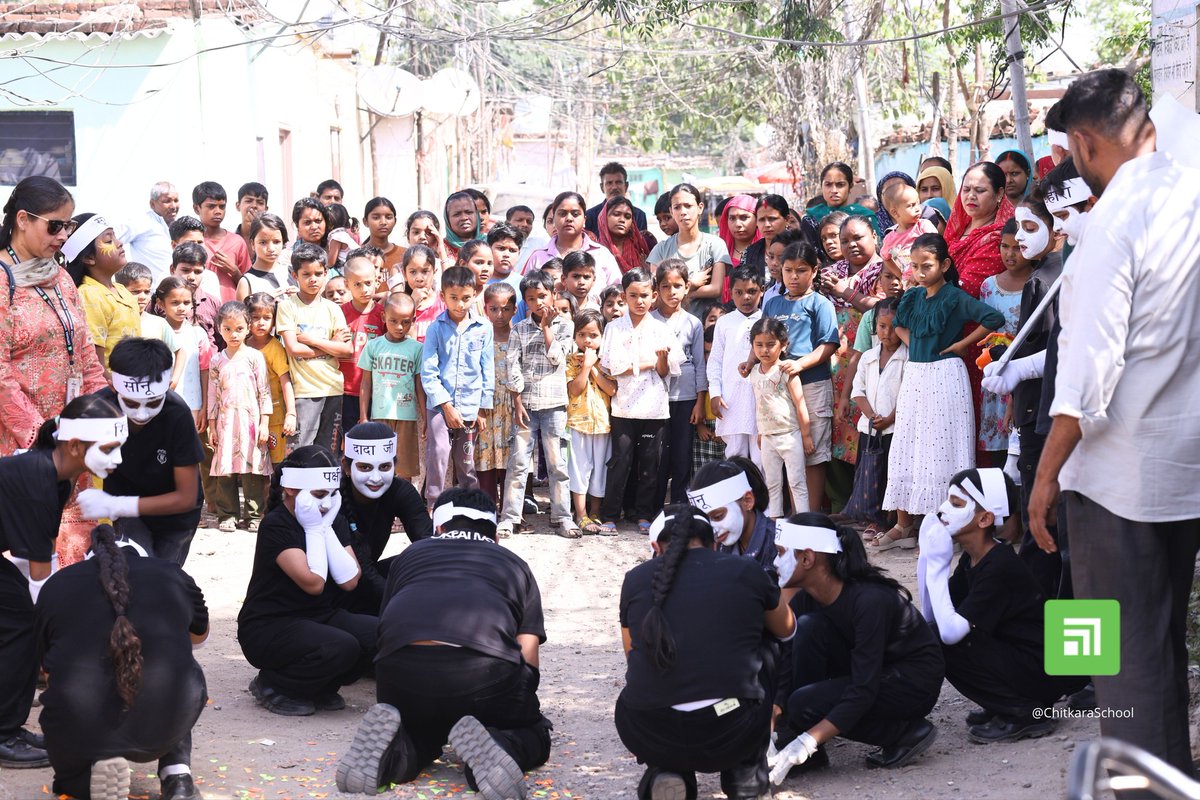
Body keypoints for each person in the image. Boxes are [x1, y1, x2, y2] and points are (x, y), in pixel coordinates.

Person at [1026, 69, 1200, 776]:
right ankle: (1154, 772)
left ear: (1083, 142)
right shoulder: (1188, 198)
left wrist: (1043, 480)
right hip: (1179, 465)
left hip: (1109, 474)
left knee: (1122, 658)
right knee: (1151, 644)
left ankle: (1141, 784)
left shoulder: (1111, 225)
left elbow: (1085, 376)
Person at [336, 488, 552, 799]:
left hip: (400, 676)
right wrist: (520, 707)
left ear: (439, 528)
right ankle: (499, 746)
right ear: (496, 536)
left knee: (422, 731)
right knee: (534, 733)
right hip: (483, 678)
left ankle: (395, 757)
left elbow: (384, 628)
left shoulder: (410, 556)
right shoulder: (514, 563)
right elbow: (528, 654)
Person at [616, 504, 795, 800]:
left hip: (650, 727)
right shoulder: (746, 570)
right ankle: (745, 774)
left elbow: (632, 655)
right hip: (731, 722)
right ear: (714, 543)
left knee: (653, 684)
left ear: (655, 547)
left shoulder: (634, 579)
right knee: (768, 644)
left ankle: (665, 771)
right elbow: (787, 630)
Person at [36, 524, 209, 800]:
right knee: (183, 664)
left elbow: (44, 667)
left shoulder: (57, 585)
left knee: (62, 682)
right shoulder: (173, 575)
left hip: (82, 721)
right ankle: (177, 777)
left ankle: (85, 777)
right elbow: (198, 639)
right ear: (143, 555)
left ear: (89, 556)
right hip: (165, 721)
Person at [0, 395, 126, 769]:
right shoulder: (39, 480)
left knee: (21, 619)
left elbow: (39, 562)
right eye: (109, 448)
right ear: (73, 445)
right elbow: (41, 580)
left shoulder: (57, 476)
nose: (117, 458)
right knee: (24, 627)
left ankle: (8, 726)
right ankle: (4, 733)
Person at [769, 514, 943, 781]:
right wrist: (776, 716)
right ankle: (810, 746)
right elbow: (787, 664)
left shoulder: (868, 601)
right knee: (806, 629)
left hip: (912, 682)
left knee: (805, 703)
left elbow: (863, 689)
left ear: (807, 558)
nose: (774, 562)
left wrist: (808, 740)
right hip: (873, 672)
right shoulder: (807, 599)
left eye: (781, 553)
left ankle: (903, 733)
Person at [917, 469, 1084, 745]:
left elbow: (949, 633)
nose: (943, 510)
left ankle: (1025, 712)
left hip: (1043, 670)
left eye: (957, 504)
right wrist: (927, 560)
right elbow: (933, 616)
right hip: (1022, 660)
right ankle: (1004, 704)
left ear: (985, 519)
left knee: (944, 641)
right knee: (933, 636)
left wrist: (935, 570)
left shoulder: (999, 566)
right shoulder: (973, 560)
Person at [879, 235, 1004, 549]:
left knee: (944, 447)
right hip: (916, 376)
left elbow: (993, 318)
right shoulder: (913, 298)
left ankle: (955, 523)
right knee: (909, 442)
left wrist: (962, 345)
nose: (920, 272)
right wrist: (915, 345)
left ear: (945, 264)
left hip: (946, 377)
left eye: (927, 266)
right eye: (916, 266)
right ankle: (904, 524)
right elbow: (899, 325)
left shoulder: (954, 296)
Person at [238, 446, 372, 716]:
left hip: (319, 617)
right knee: (341, 646)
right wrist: (314, 529)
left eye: (332, 495)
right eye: (320, 495)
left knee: (378, 634)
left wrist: (324, 527)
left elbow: (350, 581)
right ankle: (274, 685)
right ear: (290, 489)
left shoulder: (331, 519)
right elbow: (313, 583)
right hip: (270, 625)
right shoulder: (277, 524)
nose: (326, 503)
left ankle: (320, 686)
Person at [0, 177, 108, 474]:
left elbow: (85, 354)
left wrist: (104, 409)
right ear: (22, 219)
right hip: (20, 443)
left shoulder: (60, 277)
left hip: (71, 438)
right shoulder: (2, 279)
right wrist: (42, 432)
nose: (63, 235)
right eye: (54, 225)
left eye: (68, 226)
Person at [80, 338, 204, 563]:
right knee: (135, 570)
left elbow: (186, 497)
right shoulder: (98, 409)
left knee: (165, 578)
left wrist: (116, 505)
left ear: (167, 386)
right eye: (132, 404)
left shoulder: (178, 414)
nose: (142, 414)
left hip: (175, 518)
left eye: (153, 403)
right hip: (126, 509)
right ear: (112, 386)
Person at [598, 269, 683, 534]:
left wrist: (659, 361)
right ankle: (611, 514)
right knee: (620, 462)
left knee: (649, 464)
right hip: (623, 406)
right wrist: (646, 362)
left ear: (654, 296)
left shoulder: (661, 329)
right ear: (624, 297)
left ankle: (643, 514)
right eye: (633, 295)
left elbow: (665, 370)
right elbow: (612, 368)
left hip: (654, 407)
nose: (639, 301)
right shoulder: (613, 328)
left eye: (644, 295)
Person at [497, 271, 578, 539]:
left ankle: (562, 517)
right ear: (525, 302)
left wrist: (546, 326)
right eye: (531, 299)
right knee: (518, 463)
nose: (538, 302)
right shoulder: (518, 329)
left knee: (558, 464)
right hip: (526, 405)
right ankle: (510, 518)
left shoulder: (566, 326)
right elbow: (512, 366)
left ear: (553, 295)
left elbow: (557, 358)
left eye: (542, 296)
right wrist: (517, 400)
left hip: (554, 404)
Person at [759, 242, 838, 510]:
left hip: (812, 383)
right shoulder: (773, 303)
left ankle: (810, 516)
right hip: (778, 390)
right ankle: (792, 515)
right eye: (788, 270)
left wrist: (800, 364)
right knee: (787, 452)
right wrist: (749, 363)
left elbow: (828, 345)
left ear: (815, 271)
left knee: (811, 452)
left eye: (801, 270)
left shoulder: (820, 304)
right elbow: (762, 337)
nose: (794, 276)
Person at [335, 422, 432, 614]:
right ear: (346, 467)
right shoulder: (332, 498)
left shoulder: (400, 491)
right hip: (336, 589)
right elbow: (360, 570)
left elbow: (428, 544)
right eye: (365, 467)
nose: (376, 478)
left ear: (395, 466)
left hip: (371, 582)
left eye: (385, 467)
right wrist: (399, 604)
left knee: (420, 562)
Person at [421, 266, 494, 506]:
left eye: (466, 298)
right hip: (440, 406)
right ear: (443, 296)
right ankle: (434, 503)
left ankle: (471, 504)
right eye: (454, 298)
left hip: (471, 405)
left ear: (474, 295)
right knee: (439, 453)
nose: (460, 304)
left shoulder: (483, 328)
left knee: (466, 459)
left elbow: (487, 370)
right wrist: (446, 406)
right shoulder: (436, 328)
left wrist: (483, 407)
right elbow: (429, 372)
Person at [841, 298, 906, 533]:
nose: (886, 333)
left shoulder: (907, 357)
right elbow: (858, 391)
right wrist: (872, 416)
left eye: (892, 326)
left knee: (891, 474)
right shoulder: (868, 357)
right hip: (870, 427)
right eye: (881, 326)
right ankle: (871, 517)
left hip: (895, 429)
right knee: (869, 474)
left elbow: (908, 394)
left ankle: (890, 521)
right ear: (874, 326)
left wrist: (889, 418)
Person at [277, 243, 351, 450]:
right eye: (306, 274)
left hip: (332, 388)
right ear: (295, 275)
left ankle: (324, 485)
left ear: (326, 273)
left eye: (318, 273)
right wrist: (330, 345)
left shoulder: (333, 309)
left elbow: (346, 350)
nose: (313, 279)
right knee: (300, 450)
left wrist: (311, 340)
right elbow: (293, 349)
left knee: (329, 452)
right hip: (304, 391)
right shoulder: (287, 307)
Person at [207, 301, 273, 532]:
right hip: (226, 423)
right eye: (227, 329)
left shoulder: (255, 357)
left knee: (253, 467)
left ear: (247, 328)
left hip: (250, 421)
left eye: (238, 329)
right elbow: (213, 395)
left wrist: (265, 423)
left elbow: (264, 391)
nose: (233, 334)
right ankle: (228, 515)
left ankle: (254, 515)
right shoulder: (216, 360)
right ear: (219, 328)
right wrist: (212, 426)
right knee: (225, 468)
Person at [975, 217, 1033, 463]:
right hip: (997, 376)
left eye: (1017, 247)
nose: (1010, 254)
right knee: (998, 457)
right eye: (1004, 246)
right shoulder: (989, 286)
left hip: (1027, 372)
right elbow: (986, 337)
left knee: (1024, 448)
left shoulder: (1038, 283)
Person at [651, 259, 707, 505]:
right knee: (658, 455)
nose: (671, 291)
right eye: (665, 286)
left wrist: (699, 401)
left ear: (687, 288)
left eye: (677, 285)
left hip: (685, 398)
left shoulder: (693, 323)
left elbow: (699, 364)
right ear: (657, 289)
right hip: (654, 398)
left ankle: (679, 505)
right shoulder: (649, 320)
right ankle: (652, 505)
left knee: (682, 455)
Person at [746, 316, 814, 518]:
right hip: (767, 437)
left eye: (770, 345)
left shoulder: (787, 371)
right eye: (759, 345)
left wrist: (806, 435)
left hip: (789, 435)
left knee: (797, 481)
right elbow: (759, 404)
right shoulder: (754, 372)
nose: (764, 350)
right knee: (773, 482)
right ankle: (775, 521)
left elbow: (799, 403)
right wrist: (760, 432)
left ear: (783, 346)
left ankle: (804, 521)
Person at [357, 292, 424, 482]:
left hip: (407, 416)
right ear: (383, 317)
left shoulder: (417, 348)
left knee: (404, 469)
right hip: (379, 416)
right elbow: (365, 383)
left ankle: (402, 508)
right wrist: (364, 416)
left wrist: (425, 418)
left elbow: (419, 385)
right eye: (393, 321)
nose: (399, 327)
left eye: (405, 322)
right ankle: (382, 507)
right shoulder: (373, 346)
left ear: (413, 320)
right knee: (379, 465)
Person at [64, 213, 137, 375]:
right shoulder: (89, 294)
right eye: (109, 241)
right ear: (89, 258)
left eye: (115, 237)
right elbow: (95, 362)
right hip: (112, 389)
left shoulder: (123, 290)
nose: (119, 243)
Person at [566, 308, 616, 535]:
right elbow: (574, 390)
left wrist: (595, 366)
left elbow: (612, 389)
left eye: (594, 335)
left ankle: (595, 512)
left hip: (603, 424)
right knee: (579, 469)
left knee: (599, 470)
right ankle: (581, 514)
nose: (587, 340)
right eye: (582, 334)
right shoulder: (570, 361)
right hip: (578, 423)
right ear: (575, 335)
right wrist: (585, 366)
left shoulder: (608, 360)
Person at [708, 266, 763, 460]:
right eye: (739, 292)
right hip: (731, 398)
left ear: (762, 291)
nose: (745, 297)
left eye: (752, 291)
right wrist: (715, 393)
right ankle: (739, 491)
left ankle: (761, 491)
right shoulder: (724, 323)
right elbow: (714, 360)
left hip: (760, 399)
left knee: (761, 457)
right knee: (735, 454)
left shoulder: (765, 320)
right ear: (730, 293)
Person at [688, 457, 778, 572]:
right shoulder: (716, 545)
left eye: (718, 516)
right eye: (705, 521)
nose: (712, 529)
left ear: (747, 501)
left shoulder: (778, 547)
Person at [647, 184, 731, 306]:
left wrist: (679, 293)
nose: (683, 212)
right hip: (669, 322)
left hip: (707, 322)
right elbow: (655, 291)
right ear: (671, 211)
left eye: (688, 206)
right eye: (677, 207)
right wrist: (692, 284)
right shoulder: (660, 250)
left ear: (700, 208)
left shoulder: (716, 245)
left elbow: (716, 289)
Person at [476, 283, 517, 508]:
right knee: (485, 455)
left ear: (514, 309)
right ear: (485, 309)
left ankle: (511, 509)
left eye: (506, 309)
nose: (500, 315)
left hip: (512, 405)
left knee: (511, 455)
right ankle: (488, 506)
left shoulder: (518, 335)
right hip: (486, 405)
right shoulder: (480, 337)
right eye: (494, 309)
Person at [526, 191, 621, 288]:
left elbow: (617, 294)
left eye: (575, 214)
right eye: (562, 214)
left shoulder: (602, 255)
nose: (569, 218)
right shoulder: (538, 257)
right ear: (553, 219)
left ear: (584, 220)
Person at [245, 293, 297, 469]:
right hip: (250, 415)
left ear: (274, 321)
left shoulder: (275, 348)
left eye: (267, 318)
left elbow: (285, 381)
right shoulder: (242, 345)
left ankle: (277, 497)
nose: (261, 322)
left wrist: (291, 413)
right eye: (255, 318)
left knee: (277, 466)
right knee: (255, 464)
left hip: (275, 417)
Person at [340, 254, 384, 434]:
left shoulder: (383, 314)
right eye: (357, 284)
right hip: (345, 391)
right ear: (346, 284)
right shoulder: (339, 313)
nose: (364, 289)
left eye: (368, 283)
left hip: (375, 392)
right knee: (348, 444)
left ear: (376, 281)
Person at [192, 181, 250, 303]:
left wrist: (234, 272)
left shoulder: (237, 241)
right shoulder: (192, 242)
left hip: (232, 311)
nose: (218, 211)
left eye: (222, 206)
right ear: (197, 208)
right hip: (200, 309)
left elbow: (250, 284)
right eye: (211, 206)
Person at [801, 163, 880, 250]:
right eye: (828, 184)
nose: (834, 190)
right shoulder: (811, 218)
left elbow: (877, 249)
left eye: (840, 185)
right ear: (821, 186)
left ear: (850, 187)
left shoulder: (865, 216)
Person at [880, 183, 938, 284]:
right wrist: (900, 275)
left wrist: (919, 273)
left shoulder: (923, 226)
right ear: (895, 213)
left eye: (918, 203)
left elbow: (937, 247)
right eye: (911, 205)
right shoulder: (890, 239)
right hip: (910, 284)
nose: (917, 208)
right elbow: (886, 258)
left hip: (930, 277)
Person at [121, 181, 178, 282]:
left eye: (176, 200)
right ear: (152, 204)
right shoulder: (143, 222)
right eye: (167, 201)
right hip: (149, 292)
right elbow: (111, 240)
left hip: (176, 290)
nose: (173, 206)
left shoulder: (178, 227)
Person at [236, 213, 291, 302]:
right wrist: (264, 302)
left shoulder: (293, 272)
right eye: (263, 242)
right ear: (252, 244)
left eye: (276, 242)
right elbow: (243, 315)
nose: (271, 249)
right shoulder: (247, 282)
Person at [585, 161, 649, 234]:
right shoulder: (590, 216)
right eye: (609, 183)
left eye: (618, 182)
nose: (614, 187)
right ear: (602, 188)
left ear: (626, 186)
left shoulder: (638, 215)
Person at [597, 195, 651, 274]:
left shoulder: (641, 247)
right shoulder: (595, 252)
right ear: (604, 218)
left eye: (627, 216)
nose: (622, 220)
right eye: (616, 214)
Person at [402, 244, 444, 342]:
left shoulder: (443, 301)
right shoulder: (400, 306)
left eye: (425, 271)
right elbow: (400, 340)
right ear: (404, 274)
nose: (419, 279)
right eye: (413, 272)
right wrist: (412, 305)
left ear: (434, 272)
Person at [739, 195, 789, 278]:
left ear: (787, 219)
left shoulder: (800, 249)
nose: (767, 225)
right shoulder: (749, 253)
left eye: (772, 219)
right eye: (761, 220)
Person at [717, 194, 762, 284]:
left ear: (757, 219)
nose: (737, 224)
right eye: (732, 218)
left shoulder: (768, 251)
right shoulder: (718, 252)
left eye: (744, 218)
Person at [363, 198, 405, 279]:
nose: (383, 222)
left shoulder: (405, 255)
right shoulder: (357, 256)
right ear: (365, 222)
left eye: (388, 217)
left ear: (395, 221)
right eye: (376, 218)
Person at [443, 191, 483, 263]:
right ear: (447, 219)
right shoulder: (439, 249)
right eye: (457, 214)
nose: (464, 218)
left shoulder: (490, 243)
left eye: (469, 212)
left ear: (476, 215)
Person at [487, 222, 525, 290]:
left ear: (518, 254)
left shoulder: (524, 286)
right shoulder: (476, 282)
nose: (506, 255)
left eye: (512, 250)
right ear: (489, 249)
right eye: (501, 248)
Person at [233, 181, 269, 252]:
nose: (254, 206)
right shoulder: (230, 241)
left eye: (260, 203)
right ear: (238, 206)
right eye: (249, 201)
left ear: (266, 209)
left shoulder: (273, 240)